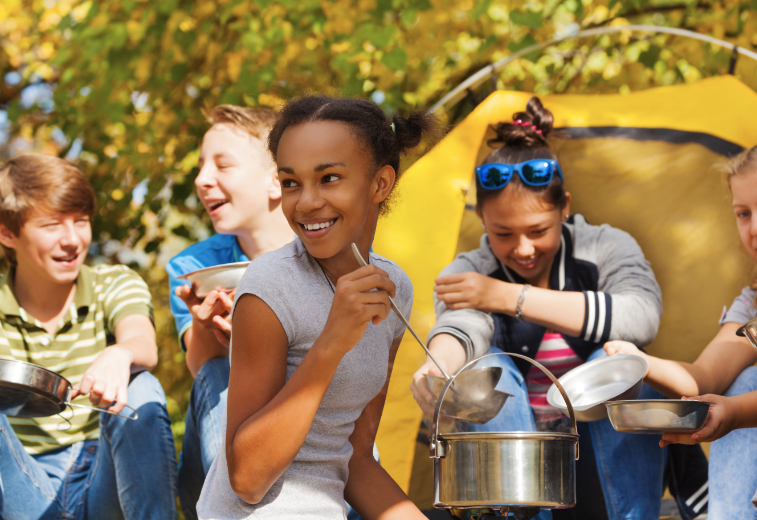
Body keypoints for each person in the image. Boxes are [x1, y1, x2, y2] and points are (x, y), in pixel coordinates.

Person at [409, 98, 705, 520]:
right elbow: (460, 327)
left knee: (622, 358)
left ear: (564, 206)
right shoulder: (472, 268)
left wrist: (509, 297)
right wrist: (437, 369)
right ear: (482, 221)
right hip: (524, 465)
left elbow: (641, 316)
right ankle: (514, 512)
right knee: (480, 365)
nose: (523, 249)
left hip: (601, 461)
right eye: (503, 234)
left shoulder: (604, 246)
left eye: (538, 231)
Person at [196, 96, 436, 519]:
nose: (306, 202)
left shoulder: (393, 287)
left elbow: (357, 460)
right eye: (291, 183)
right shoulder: (270, 287)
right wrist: (331, 343)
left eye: (329, 178)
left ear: (381, 183)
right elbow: (247, 481)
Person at [606, 138, 757, 519]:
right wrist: (642, 362)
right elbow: (705, 378)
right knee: (748, 381)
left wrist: (735, 412)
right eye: (743, 214)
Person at [0, 154, 177, 519]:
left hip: (104, 476)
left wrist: (121, 353)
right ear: (7, 233)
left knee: (140, 387)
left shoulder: (113, 283)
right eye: (51, 225)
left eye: (80, 222)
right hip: (22, 485)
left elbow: (141, 342)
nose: (72, 240)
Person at [165, 105, 295, 517]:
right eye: (202, 166)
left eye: (222, 165)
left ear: (276, 181)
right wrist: (208, 329)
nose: (202, 180)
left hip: (306, 449)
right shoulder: (194, 268)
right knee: (220, 375)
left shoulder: (325, 255)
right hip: (218, 471)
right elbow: (202, 367)